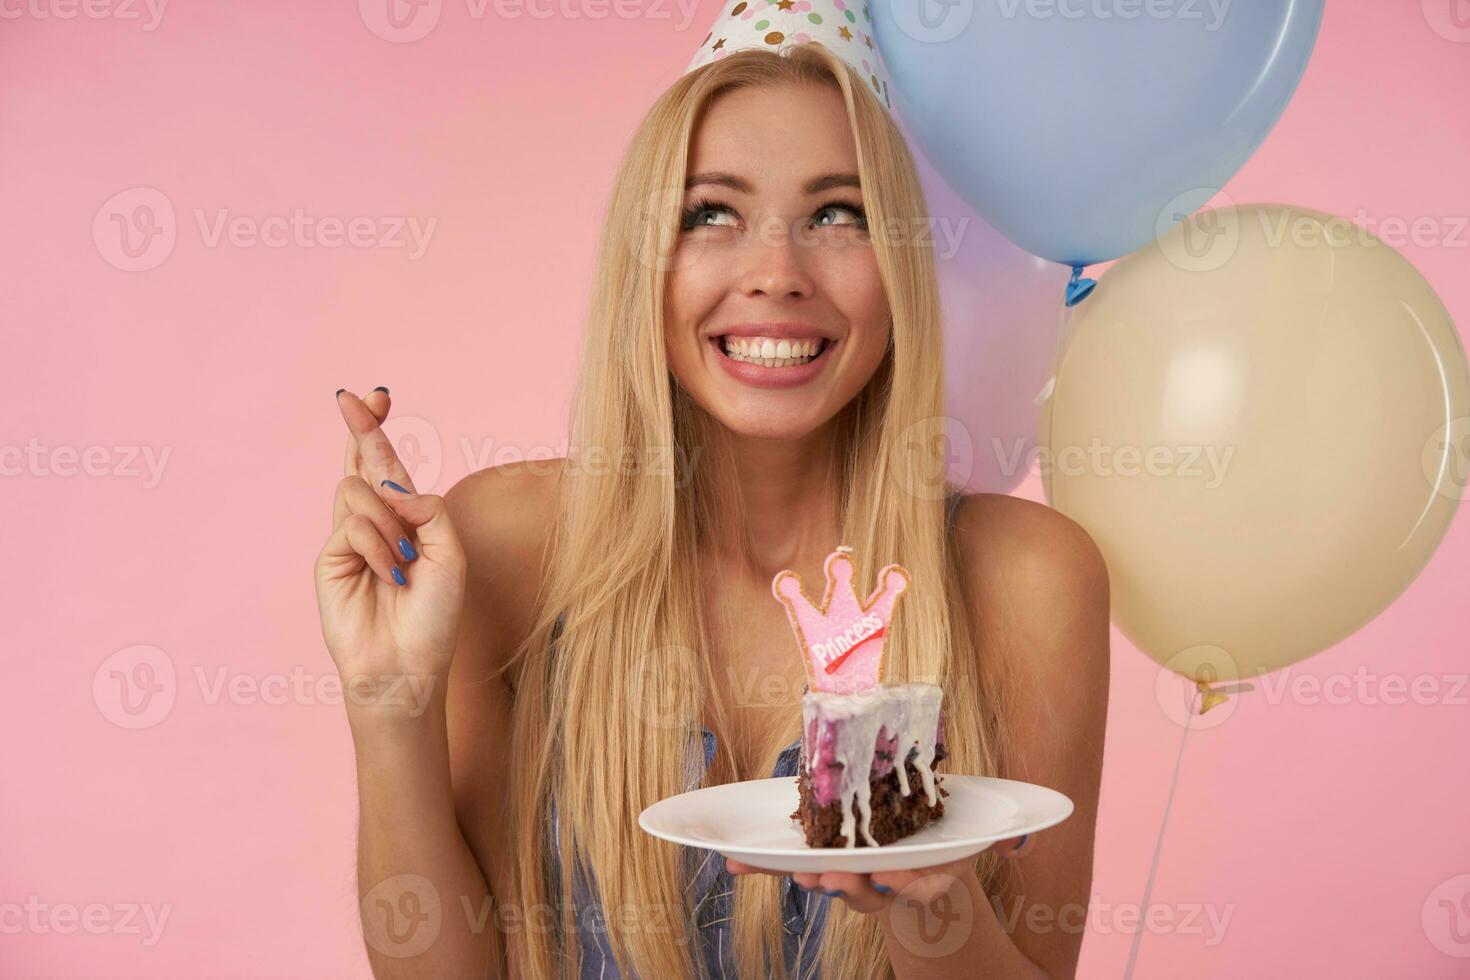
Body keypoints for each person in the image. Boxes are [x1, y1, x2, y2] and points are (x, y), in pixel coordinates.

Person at [314, 37, 1109, 980]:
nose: (777, 271)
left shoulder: (1029, 580)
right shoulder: (509, 546)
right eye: (712, 213)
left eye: (838, 214)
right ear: (643, 262)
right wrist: (387, 702)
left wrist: (928, 906)